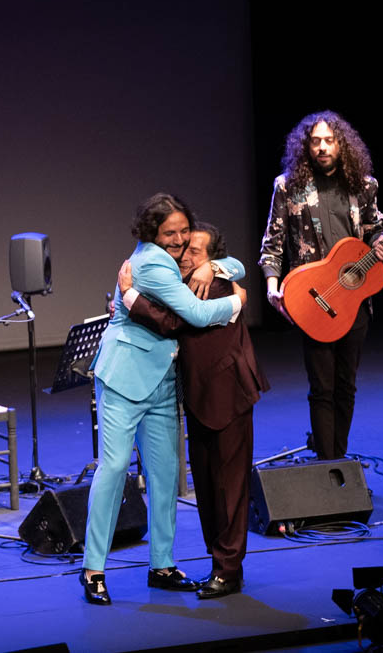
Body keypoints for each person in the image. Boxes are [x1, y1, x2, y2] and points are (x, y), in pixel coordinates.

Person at [82, 193, 245, 606]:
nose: (177, 240)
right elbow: (192, 315)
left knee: (165, 473)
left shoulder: (180, 258)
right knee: (116, 465)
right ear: (151, 233)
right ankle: (93, 568)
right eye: (168, 232)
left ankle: (162, 564)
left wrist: (215, 264)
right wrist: (238, 300)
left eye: (183, 231)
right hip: (125, 378)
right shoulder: (151, 264)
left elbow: (235, 263)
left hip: (162, 381)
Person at [119, 222, 268, 599]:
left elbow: (174, 322)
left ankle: (229, 570)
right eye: (183, 251)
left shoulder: (214, 285)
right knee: (206, 485)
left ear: (212, 259)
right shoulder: (190, 282)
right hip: (201, 398)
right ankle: (222, 563)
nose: (186, 257)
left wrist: (131, 298)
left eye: (196, 253)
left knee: (230, 488)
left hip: (228, 394)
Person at [259, 110, 383, 460]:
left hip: (353, 299)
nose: (322, 147)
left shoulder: (363, 185)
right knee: (322, 388)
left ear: (341, 144)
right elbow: (272, 244)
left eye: (329, 141)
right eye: (315, 141)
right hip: (313, 298)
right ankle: (327, 467)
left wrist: (381, 241)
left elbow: (373, 226)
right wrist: (273, 286)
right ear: (306, 146)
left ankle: (340, 464)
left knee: (346, 386)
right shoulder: (287, 186)